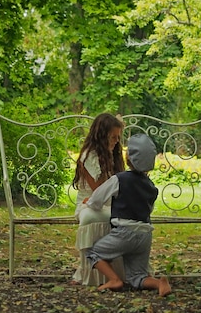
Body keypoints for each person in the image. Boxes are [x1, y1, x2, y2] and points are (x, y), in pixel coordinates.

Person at [85, 133, 172, 297]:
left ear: (128, 158)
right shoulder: (152, 187)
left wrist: (89, 202)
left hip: (124, 233)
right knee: (137, 277)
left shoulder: (119, 179)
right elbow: (148, 209)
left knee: (93, 253)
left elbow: (97, 199)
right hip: (145, 235)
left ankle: (114, 279)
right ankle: (159, 283)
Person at [71, 113, 125, 285]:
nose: (116, 141)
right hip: (91, 205)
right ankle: (90, 273)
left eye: (118, 137)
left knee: (124, 215)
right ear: (101, 136)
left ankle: (120, 273)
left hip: (110, 204)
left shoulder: (113, 155)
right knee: (91, 216)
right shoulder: (89, 157)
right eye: (112, 137)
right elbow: (100, 191)